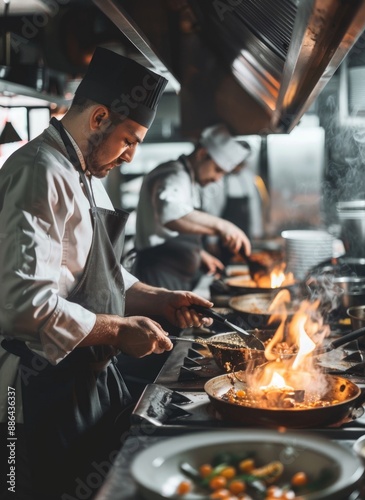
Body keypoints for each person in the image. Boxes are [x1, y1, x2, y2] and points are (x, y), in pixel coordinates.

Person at [0, 46, 214, 500]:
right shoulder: (38, 172)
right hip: (37, 390)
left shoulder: (87, 176)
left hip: (85, 380)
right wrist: (117, 330)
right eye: (130, 140)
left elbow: (105, 275)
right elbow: (24, 307)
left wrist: (157, 298)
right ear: (99, 119)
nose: (132, 156)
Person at [132, 124, 252, 290]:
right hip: (158, 278)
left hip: (175, 277)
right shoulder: (173, 174)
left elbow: (170, 234)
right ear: (202, 153)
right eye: (217, 170)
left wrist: (199, 254)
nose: (217, 179)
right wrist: (224, 227)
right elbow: (170, 214)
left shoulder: (189, 178)